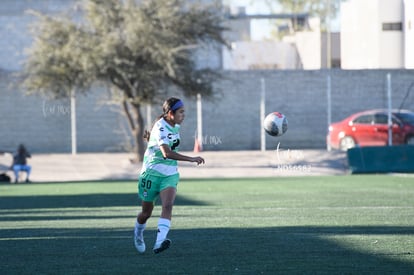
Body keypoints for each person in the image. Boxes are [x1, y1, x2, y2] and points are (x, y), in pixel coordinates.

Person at [133, 97, 205, 254]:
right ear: (170, 113)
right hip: (151, 174)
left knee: (168, 205)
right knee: (146, 213)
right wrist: (191, 159)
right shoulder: (160, 127)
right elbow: (166, 153)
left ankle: (159, 242)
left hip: (169, 174)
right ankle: (138, 233)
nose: (183, 115)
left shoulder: (175, 125)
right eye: (181, 112)